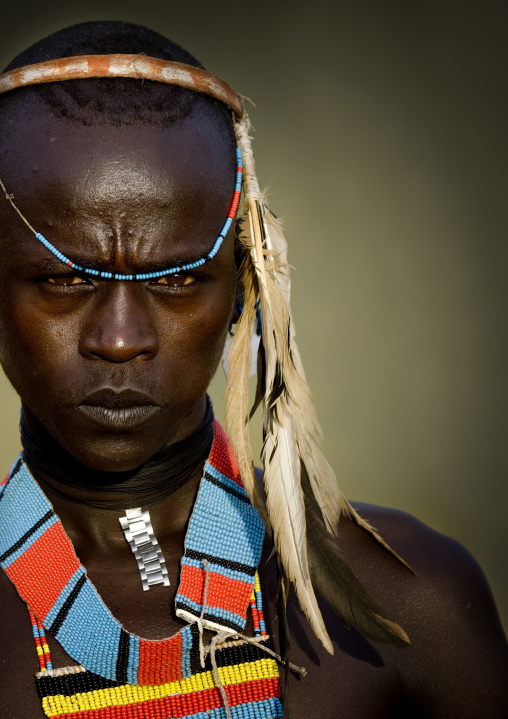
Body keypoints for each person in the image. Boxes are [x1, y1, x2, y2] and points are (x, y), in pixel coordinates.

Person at [0, 20, 506, 719]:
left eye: (176, 281)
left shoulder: (414, 607)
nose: (119, 340)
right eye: (63, 279)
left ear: (244, 287)